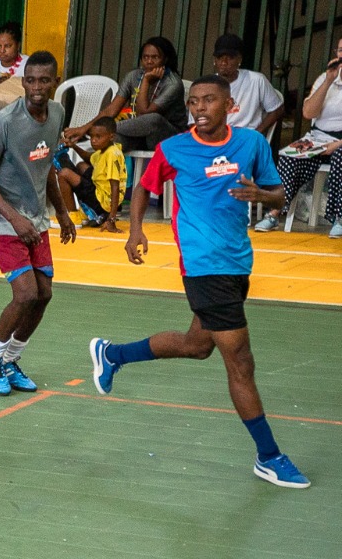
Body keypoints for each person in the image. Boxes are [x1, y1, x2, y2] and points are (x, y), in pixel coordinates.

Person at [90, 74, 309, 489]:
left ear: (230, 106)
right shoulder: (174, 148)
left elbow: (278, 194)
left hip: (237, 262)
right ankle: (269, 456)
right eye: (193, 102)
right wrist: (135, 230)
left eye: (208, 100)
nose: (199, 108)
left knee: (197, 345)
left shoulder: (251, 144)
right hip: (202, 265)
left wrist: (263, 198)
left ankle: (112, 354)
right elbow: (143, 188)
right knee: (240, 362)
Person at [0, 51, 77, 396]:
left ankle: (10, 359)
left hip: (35, 219)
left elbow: (47, 166)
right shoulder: (5, 121)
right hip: (2, 221)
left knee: (43, 295)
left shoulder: (57, 113)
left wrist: (62, 213)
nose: (36, 87)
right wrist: (14, 218)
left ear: (55, 82)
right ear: (23, 82)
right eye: (30, 80)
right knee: (26, 293)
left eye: (44, 80)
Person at [254, 37, 342, 237]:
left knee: (341, 157)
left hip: (340, 143)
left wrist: (336, 145)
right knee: (289, 157)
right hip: (319, 137)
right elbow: (308, 113)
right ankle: (274, 213)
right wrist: (328, 81)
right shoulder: (325, 78)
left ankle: (339, 217)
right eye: (340, 50)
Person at [64, 37, 187, 154]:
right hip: (140, 135)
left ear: (165, 59)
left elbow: (144, 113)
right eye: (145, 57)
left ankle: (100, 130)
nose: (149, 61)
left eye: (155, 57)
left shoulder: (173, 83)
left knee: (154, 119)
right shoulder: (133, 76)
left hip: (169, 138)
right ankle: (93, 167)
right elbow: (110, 111)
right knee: (111, 140)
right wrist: (83, 128)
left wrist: (145, 80)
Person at [54, 115, 125, 231]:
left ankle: (74, 216)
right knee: (81, 166)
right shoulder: (108, 149)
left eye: (98, 137)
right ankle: (86, 212)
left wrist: (111, 219)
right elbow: (89, 158)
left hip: (102, 204)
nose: (93, 140)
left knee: (64, 174)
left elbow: (115, 186)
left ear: (111, 137)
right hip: (102, 197)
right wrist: (73, 146)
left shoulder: (111, 155)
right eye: (91, 136)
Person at [211, 33, 283, 137]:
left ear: (239, 59)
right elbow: (194, 122)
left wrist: (256, 134)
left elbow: (277, 110)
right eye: (219, 57)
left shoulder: (256, 80)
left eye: (230, 57)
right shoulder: (206, 86)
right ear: (214, 60)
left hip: (245, 137)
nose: (224, 62)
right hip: (215, 138)